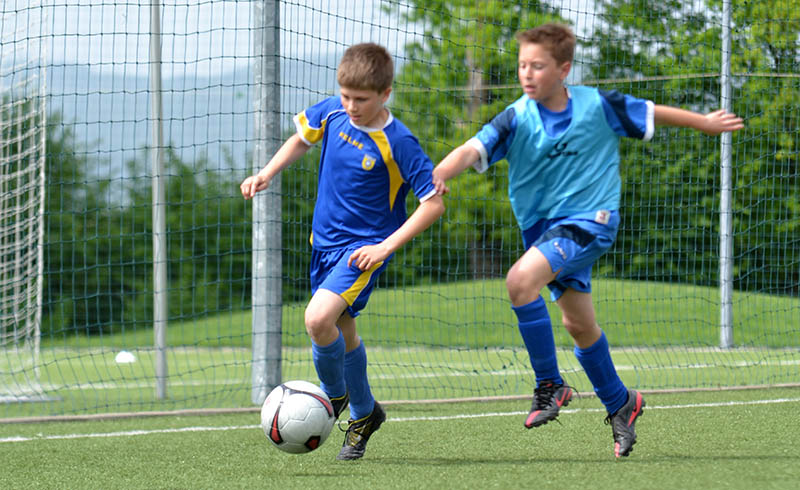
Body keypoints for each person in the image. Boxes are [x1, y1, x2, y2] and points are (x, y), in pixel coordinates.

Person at [432, 23, 743, 458]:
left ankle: (550, 385)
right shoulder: (516, 118)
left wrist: (704, 123)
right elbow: (471, 149)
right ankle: (621, 403)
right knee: (578, 326)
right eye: (522, 65)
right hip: (546, 234)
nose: (527, 74)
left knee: (519, 282)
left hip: (591, 221)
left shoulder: (596, 105)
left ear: (564, 69)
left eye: (537, 66)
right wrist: (441, 172)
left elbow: (651, 111)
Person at [241, 43, 445, 460]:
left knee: (317, 320)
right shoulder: (334, 111)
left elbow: (434, 204)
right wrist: (266, 173)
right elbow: (303, 138)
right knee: (343, 331)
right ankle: (366, 413)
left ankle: (332, 398)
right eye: (346, 96)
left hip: (361, 252)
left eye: (362, 99)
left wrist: (383, 248)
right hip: (323, 245)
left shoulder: (399, 142)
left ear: (385, 93)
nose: (351, 106)